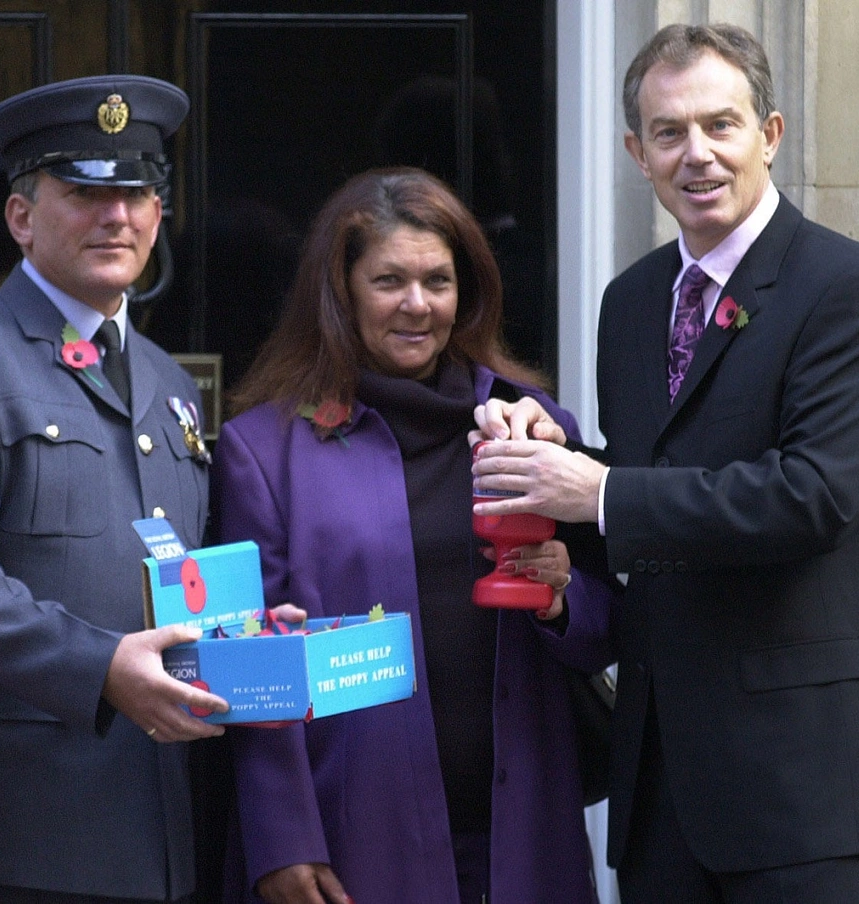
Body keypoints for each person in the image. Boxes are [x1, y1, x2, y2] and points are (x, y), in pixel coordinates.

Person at [472, 23, 859, 904]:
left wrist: (597, 493)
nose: (698, 155)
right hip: (663, 787)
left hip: (807, 793)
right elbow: (654, 484)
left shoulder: (848, 289)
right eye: (669, 133)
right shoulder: (631, 300)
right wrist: (550, 464)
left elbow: (813, 497)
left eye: (721, 125)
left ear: (771, 135)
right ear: (637, 152)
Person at [213, 167, 616, 904]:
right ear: (341, 292)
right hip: (355, 836)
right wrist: (282, 840)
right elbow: (247, 666)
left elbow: (604, 628)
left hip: (522, 832)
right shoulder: (263, 451)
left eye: (437, 280)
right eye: (388, 280)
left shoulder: (528, 425)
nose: (416, 305)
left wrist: (560, 598)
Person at [0, 75, 231, 904]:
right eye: (83, 192)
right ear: (21, 217)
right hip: (33, 832)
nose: (115, 216)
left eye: (137, 194)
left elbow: (173, 572)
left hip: (166, 820)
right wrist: (102, 667)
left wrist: (246, 631)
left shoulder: (167, 381)